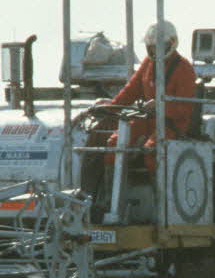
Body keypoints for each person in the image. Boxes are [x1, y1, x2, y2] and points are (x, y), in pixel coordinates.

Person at [75, 20, 198, 187]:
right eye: (152, 47)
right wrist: (110, 106)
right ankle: (111, 196)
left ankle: (160, 199)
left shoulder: (184, 69)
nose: (155, 50)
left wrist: (161, 106)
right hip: (147, 119)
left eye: (159, 46)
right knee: (114, 143)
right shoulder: (148, 64)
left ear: (172, 43)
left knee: (152, 150)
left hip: (173, 124)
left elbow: (184, 109)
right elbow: (131, 90)